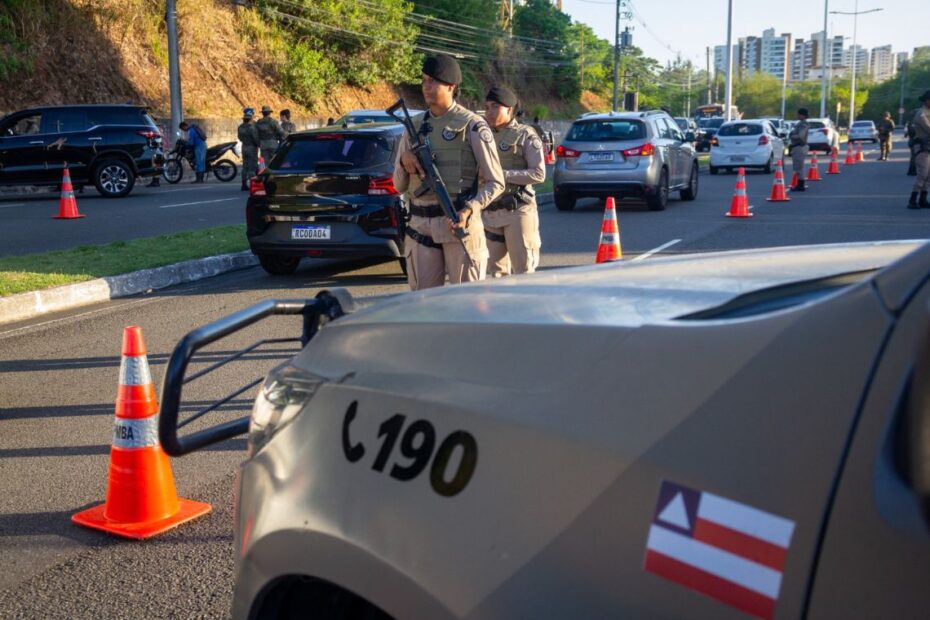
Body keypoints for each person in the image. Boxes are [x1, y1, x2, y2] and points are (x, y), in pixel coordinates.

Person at [393, 54, 505, 290]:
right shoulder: (412, 126)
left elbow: (496, 182)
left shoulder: (472, 125)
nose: (426, 87)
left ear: (451, 87)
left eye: (432, 81)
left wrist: (470, 209)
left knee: (466, 309)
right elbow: (398, 185)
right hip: (420, 226)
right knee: (424, 309)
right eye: (423, 81)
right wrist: (404, 161)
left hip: (458, 226)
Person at [481, 86, 545, 277]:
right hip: (489, 212)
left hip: (517, 210)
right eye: (486, 107)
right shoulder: (482, 134)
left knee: (523, 273)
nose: (489, 112)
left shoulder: (526, 134)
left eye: (494, 107)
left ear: (509, 109)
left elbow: (538, 174)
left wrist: (501, 174)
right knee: (495, 275)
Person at [907, 90, 930, 209]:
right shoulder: (921, 114)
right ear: (926, 101)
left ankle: (923, 199)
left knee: (928, 176)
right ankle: (913, 200)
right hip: (922, 147)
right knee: (923, 174)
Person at [238, 107, 261, 191]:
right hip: (252, 147)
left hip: (244, 147)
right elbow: (255, 138)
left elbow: (239, 137)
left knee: (245, 166)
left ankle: (243, 184)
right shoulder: (252, 127)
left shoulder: (240, 127)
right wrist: (259, 145)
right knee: (252, 166)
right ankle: (253, 185)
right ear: (251, 117)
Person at [788, 107, 810, 192]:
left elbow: (801, 136)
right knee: (797, 167)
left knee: (799, 167)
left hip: (799, 146)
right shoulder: (800, 123)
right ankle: (799, 184)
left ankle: (801, 185)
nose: (798, 116)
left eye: (799, 114)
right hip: (797, 146)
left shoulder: (803, 124)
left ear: (803, 115)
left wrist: (792, 136)